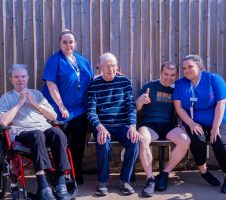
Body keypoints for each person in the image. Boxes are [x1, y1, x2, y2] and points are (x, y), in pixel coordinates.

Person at [0, 64, 71, 200]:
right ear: (11, 79)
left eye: (23, 76)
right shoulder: (5, 98)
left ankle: (61, 182)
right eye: (16, 77)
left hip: (43, 129)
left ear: (27, 78)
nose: (20, 79)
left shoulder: (37, 94)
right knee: (36, 134)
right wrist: (20, 102)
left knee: (58, 134)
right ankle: (43, 186)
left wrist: (34, 103)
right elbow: (3, 121)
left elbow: (53, 116)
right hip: (23, 133)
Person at [172, 55, 226, 193]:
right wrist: (191, 124)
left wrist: (215, 127)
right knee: (196, 138)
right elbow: (179, 108)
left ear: (199, 66)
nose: (186, 70)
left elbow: (221, 103)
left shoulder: (214, 78)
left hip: (220, 120)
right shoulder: (180, 84)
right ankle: (204, 172)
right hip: (195, 121)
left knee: (219, 140)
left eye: (190, 67)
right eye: (184, 68)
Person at [42, 29, 94, 185]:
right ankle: (61, 174)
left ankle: (76, 171)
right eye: (64, 42)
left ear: (75, 44)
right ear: (60, 43)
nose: (68, 45)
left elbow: (91, 79)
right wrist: (61, 106)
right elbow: (51, 85)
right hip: (60, 110)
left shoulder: (82, 60)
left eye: (71, 42)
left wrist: (109, 73)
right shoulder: (55, 60)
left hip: (79, 109)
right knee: (60, 143)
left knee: (78, 143)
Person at [86, 52, 140, 196]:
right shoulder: (94, 84)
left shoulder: (125, 82)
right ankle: (102, 181)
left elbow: (131, 106)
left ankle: (124, 180)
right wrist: (99, 127)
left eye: (114, 65)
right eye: (107, 66)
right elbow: (90, 111)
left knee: (134, 140)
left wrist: (133, 126)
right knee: (103, 141)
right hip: (103, 126)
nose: (111, 69)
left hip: (123, 125)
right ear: (100, 68)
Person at [136, 61, 190, 197]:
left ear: (176, 75)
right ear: (161, 73)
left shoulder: (176, 89)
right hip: (150, 125)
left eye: (172, 75)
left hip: (168, 125)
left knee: (185, 140)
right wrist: (141, 101)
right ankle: (150, 179)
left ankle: (165, 173)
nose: (169, 77)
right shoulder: (150, 86)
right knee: (142, 140)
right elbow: (136, 107)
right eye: (166, 74)